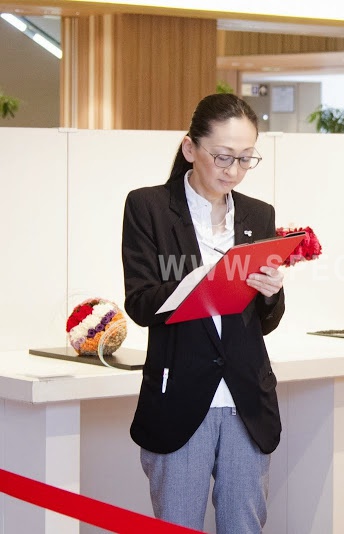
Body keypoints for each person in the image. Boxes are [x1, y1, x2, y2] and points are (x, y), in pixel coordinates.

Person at [121, 93, 285, 533]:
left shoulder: (258, 214)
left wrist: (271, 293)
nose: (233, 171)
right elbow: (140, 302)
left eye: (246, 159)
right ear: (190, 148)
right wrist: (202, 280)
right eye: (223, 156)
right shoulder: (149, 207)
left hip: (246, 401)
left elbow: (265, 322)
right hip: (179, 397)